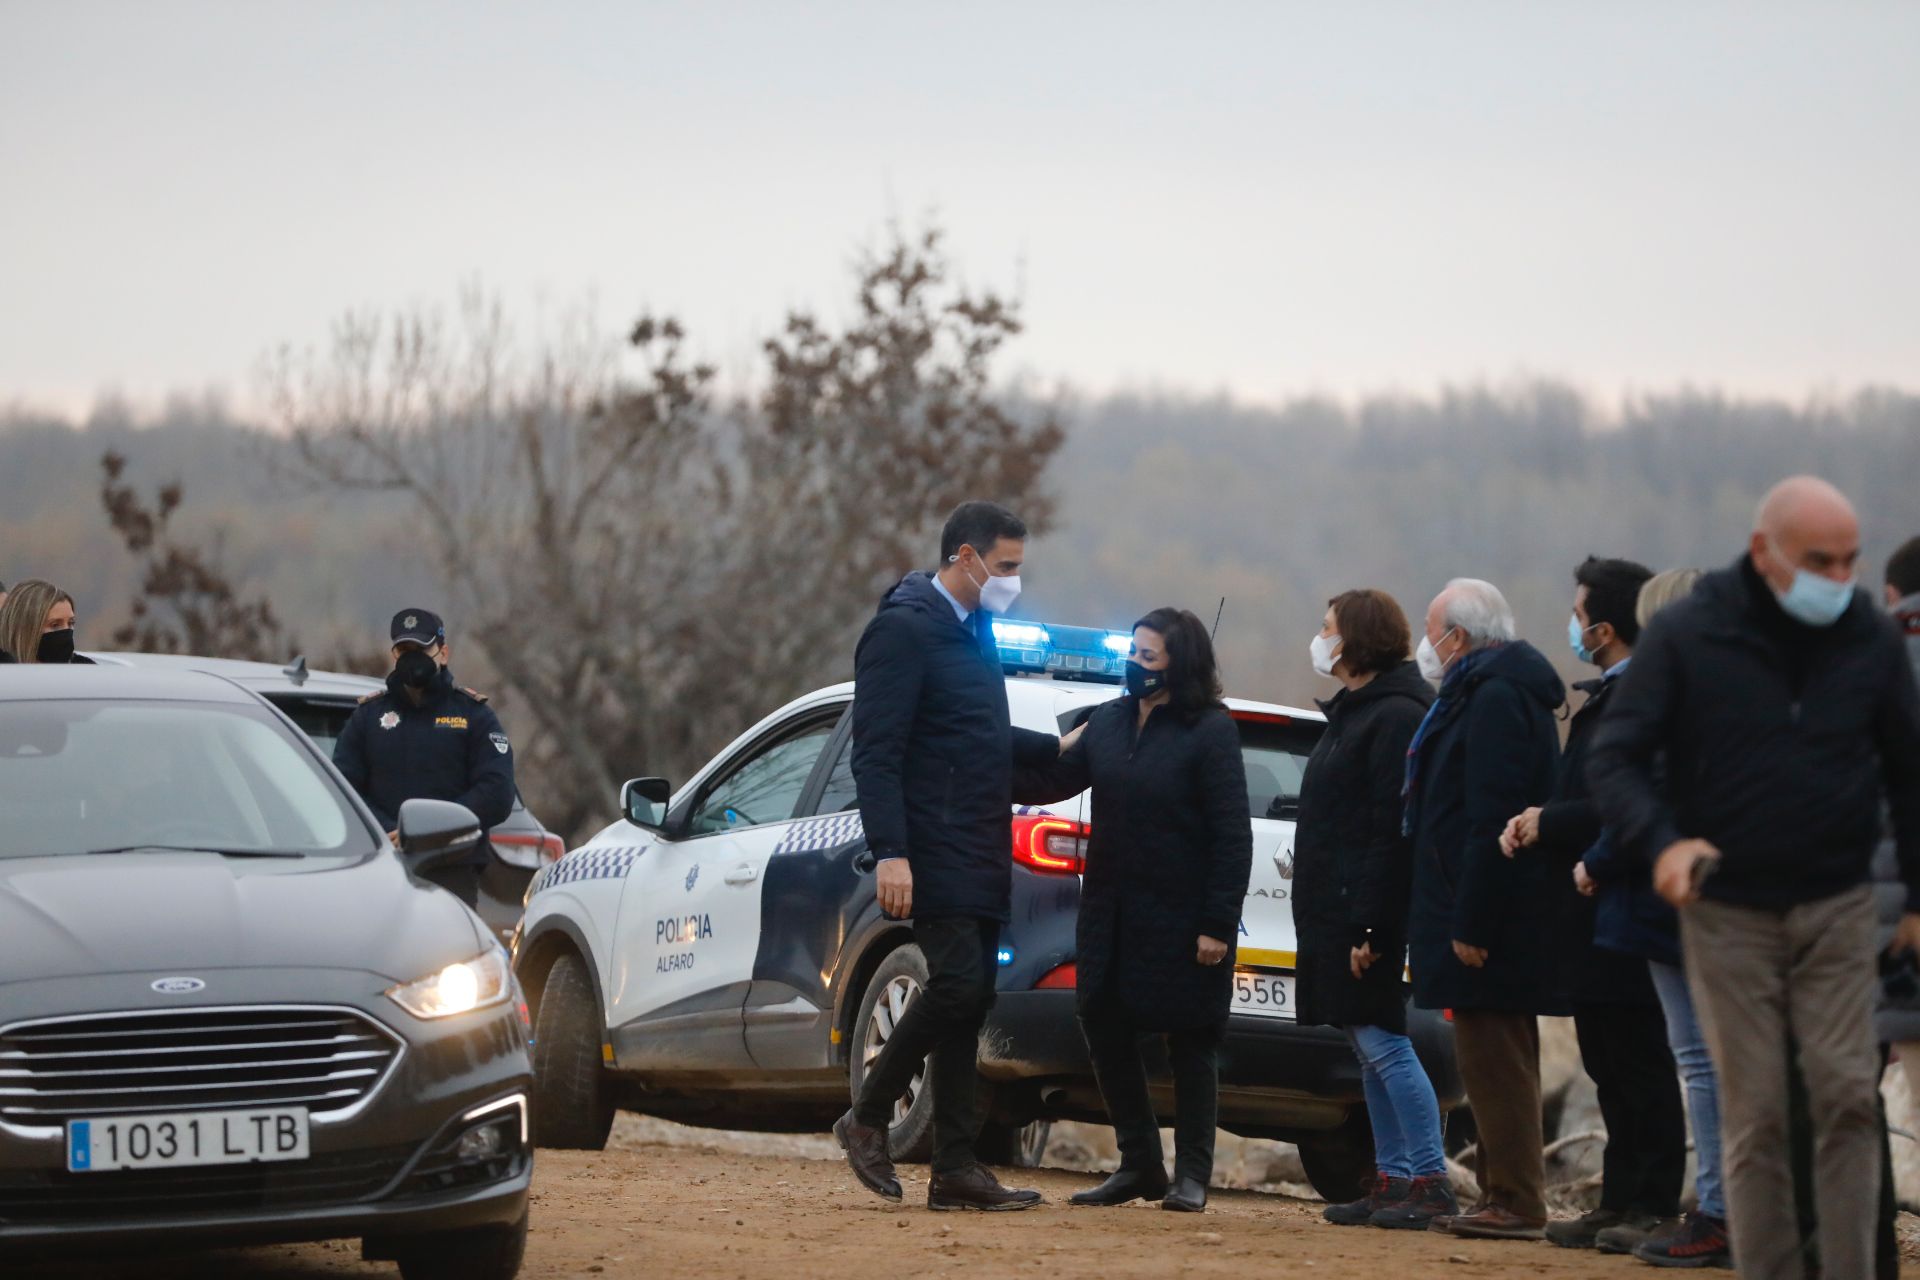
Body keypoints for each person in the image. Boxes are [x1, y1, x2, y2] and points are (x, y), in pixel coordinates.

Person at [1587, 477, 1920, 1280]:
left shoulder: (1870, 641)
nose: (1837, 579)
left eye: (1850, 562)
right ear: (1764, 551)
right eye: (1819, 561)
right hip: (1727, 907)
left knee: (1845, 1097)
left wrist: (1914, 897)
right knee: (1760, 1112)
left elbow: (1908, 773)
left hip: (1838, 905)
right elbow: (1618, 756)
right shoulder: (1690, 635)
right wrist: (1662, 843)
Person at [835, 501, 1063, 1213]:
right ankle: (867, 1115)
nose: (1013, 581)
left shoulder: (977, 634)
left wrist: (1077, 753)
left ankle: (956, 1167)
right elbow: (875, 754)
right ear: (965, 558)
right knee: (960, 986)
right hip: (930, 849)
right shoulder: (903, 632)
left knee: (970, 1006)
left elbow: (985, 744)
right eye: (1005, 567)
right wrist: (892, 853)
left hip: (981, 848)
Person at [1015, 608, 1252, 1214]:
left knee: (1192, 1039)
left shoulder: (1210, 730)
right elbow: (1053, 779)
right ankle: (1140, 1161)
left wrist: (1216, 924)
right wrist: (985, 765)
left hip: (1183, 915)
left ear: (1181, 664)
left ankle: (1192, 1175)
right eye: (1135, 654)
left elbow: (1232, 836)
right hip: (1109, 910)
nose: (1136, 667)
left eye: (1149, 658)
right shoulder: (1111, 719)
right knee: (1102, 1019)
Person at [1499, 556, 1687, 1251]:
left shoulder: (1643, 700)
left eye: (1578, 614)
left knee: (1641, 1060)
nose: (1572, 625)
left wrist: (1553, 821)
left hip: (1629, 901)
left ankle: (1652, 1200)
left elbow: (1623, 799)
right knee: (1607, 1060)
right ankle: (1619, 1198)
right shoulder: (1607, 696)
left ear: (1604, 627)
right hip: (1593, 910)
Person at [1403, 578, 1565, 1241]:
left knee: (1494, 1055)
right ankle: (1505, 1191)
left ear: (1458, 637)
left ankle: (1518, 1201)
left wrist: (1471, 921)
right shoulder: (1489, 691)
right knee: (1494, 1052)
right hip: (1483, 902)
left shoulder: (1494, 698)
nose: (1427, 639)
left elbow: (1488, 816)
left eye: (1433, 625)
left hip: (1487, 911)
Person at [1289, 589, 1454, 1230]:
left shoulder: (1393, 717)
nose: (1320, 637)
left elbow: (1392, 828)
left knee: (1385, 1044)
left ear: (1355, 639)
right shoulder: (1358, 712)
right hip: (1339, 906)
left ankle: (1430, 1180)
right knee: (1367, 1045)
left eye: (1327, 626)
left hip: (1363, 909)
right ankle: (1393, 1177)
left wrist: (1371, 923)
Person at [331, 607, 516, 907]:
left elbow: (497, 792)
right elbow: (341, 787)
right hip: (381, 868)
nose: (412, 657)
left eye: (421, 649)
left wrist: (431, 831)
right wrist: (387, 830)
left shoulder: (474, 716)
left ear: (443, 653)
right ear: (394, 654)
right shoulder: (368, 718)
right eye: (404, 649)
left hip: (451, 872)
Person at [0, 579, 93, 665]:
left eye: (70, 623)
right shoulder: (7, 674)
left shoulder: (86, 670)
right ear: (24, 629)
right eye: (55, 625)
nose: (67, 631)